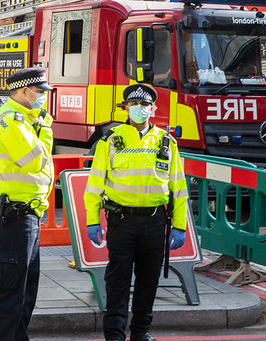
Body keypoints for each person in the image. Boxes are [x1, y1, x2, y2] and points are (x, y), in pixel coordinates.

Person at [84, 83, 188, 341]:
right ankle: (115, 335)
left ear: (153, 108)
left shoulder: (166, 142)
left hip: (155, 221)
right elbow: (95, 184)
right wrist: (92, 220)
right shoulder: (110, 140)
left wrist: (179, 225)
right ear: (125, 108)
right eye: (133, 105)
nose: (139, 109)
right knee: (117, 281)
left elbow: (178, 187)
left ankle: (141, 332)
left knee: (148, 280)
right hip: (122, 219)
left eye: (144, 105)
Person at [0, 67, 54, 341]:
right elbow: (35, 161)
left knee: (24, 293)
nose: (43, 99)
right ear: (24, 91)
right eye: (40, 93)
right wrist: (46, 129)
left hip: (25, 215)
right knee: (10, 295)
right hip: (13, 218)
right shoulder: (12, 122)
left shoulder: (24, 120)